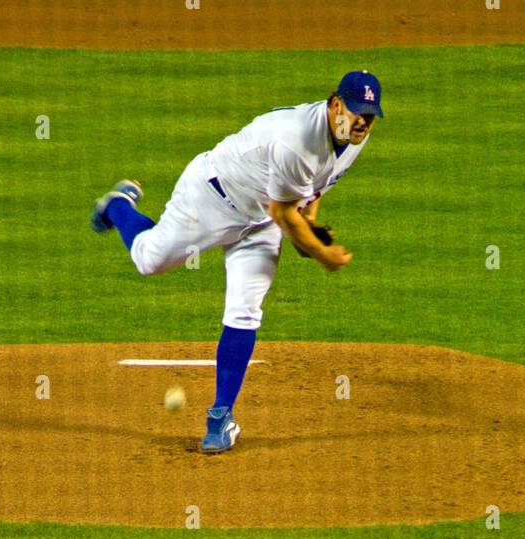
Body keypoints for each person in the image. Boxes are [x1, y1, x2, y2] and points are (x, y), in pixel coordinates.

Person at [90, 71, 382, 453]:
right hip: (212, 198)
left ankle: (220, 417)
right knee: (148, 260)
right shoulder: (296, 140)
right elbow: (284, 211)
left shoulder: (354, 139)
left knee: (245, 311)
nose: (362, 121)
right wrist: (322, 252)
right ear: (335, 104)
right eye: (356, 111)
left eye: (370, 114)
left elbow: (313, 190)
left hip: (261, 223)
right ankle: (118, 206)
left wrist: (309, 226)